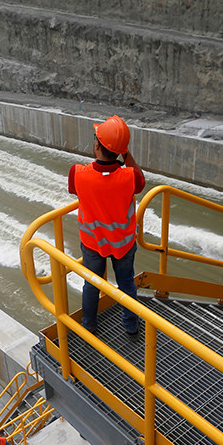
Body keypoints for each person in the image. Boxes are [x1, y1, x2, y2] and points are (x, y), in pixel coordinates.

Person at [68, 115, 146, 334]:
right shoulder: (130, 177)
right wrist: (126, 154)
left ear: (96, 145)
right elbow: (141, 180)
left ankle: (89, 326)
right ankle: (131, 326)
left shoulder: (77, 173)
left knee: (91, 285)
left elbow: (76, 189)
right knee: (126, 284)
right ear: (121, 151)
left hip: (93, 243)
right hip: (123, 244)